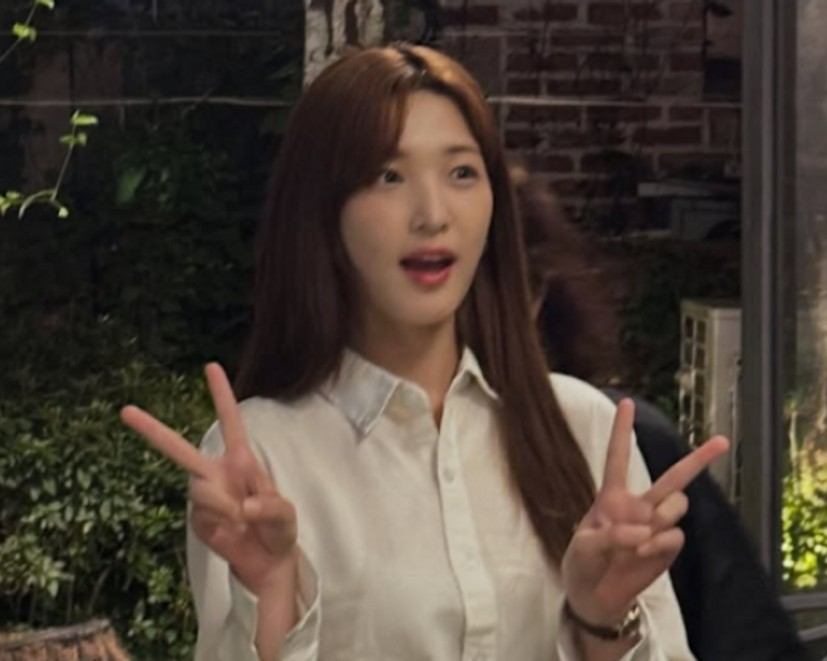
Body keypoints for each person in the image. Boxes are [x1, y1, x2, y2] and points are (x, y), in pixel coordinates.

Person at [120, 44, 728, 661]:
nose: (433, 215)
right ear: (323, 211)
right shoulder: (263, 455)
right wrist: (274, 590)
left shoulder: (584, 427)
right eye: (389, 176)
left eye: (461, 172)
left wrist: (602, 623)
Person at [510, 159, 810, 661]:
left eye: (483, 285)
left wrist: (604, 625)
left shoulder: (614, 438)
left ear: (534, 296)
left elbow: (755, 643)